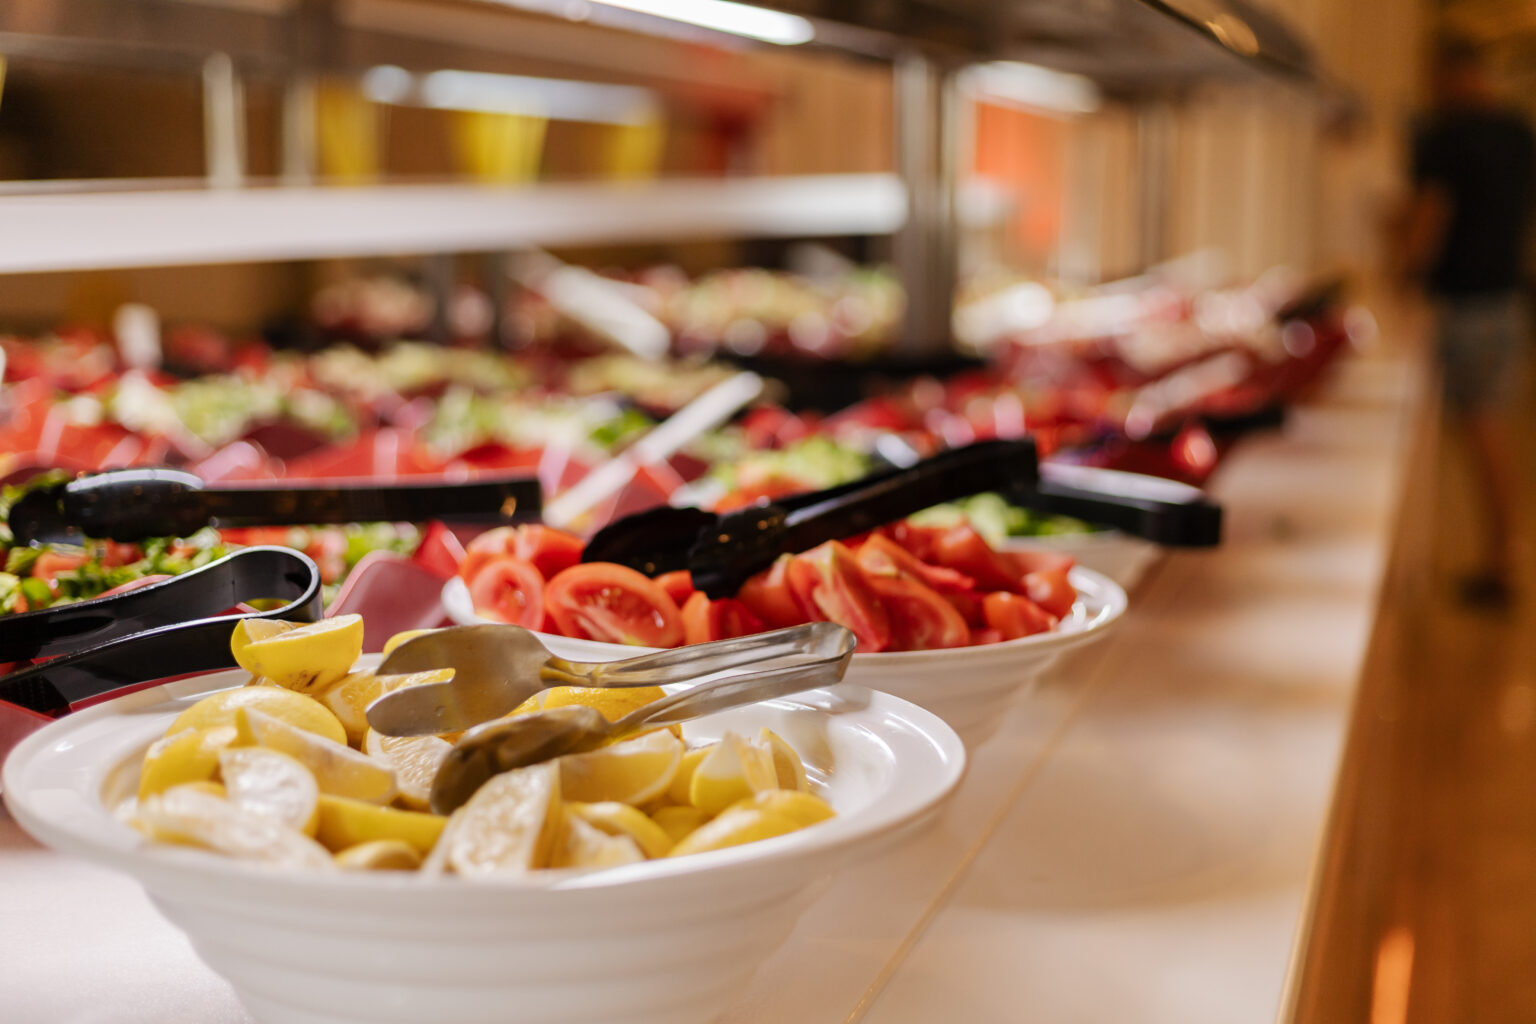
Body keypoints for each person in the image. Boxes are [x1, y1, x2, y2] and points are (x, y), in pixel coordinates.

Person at [1402, 35, 1536, 608]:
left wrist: (1405, 276)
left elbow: (1431, 214)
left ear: (1450, 74)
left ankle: (1504, 558)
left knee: (1478, 428)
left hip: (1466, 302)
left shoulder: (1447, 134)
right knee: (1489, 428)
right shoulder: (1519, 133)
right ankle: (1502, 552)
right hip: (1508, 297)